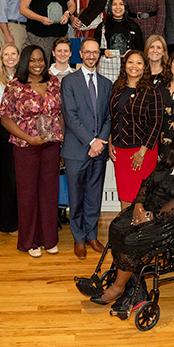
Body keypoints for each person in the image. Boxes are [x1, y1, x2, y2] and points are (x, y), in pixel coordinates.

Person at [85, 125, 174, 313]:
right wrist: (138, 205)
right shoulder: (171, 161)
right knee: (117, 226)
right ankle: (132, 282)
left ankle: (118, 288)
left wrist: (150, 216)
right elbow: (147, 183)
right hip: (150, 208)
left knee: (132, 238)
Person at [0, 45, 64, 257]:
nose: (37, 64)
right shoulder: (15, 86)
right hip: (25, 146)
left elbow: (60, 114)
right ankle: (30, 242)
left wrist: (61, 142)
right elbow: (5, 118)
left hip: (51, 145)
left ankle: (49, 239)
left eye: (40, 59)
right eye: (32, 60)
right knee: (27, 195)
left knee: (49, 193)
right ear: (25, 62)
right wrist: (29, 138)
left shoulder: (54, 82)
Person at [60, 38, 113, 260]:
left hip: (99, 151)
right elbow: (70, 116)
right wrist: (91, 141)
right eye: (87, 52)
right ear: (80, 54)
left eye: (95, 52)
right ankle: (79, 238)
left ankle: (92, 235)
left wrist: (100, 141)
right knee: (76, 197)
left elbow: (109, 116)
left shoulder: (107, 83)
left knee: (94, 195)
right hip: (76, 149)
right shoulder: (69, 82)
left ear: (99, 55)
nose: (91, 56)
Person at [109, 50, 163, 209]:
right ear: (124, 65)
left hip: (142, 151)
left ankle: (142, 226)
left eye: (139, 63)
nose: (134, 66)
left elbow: (156, 123)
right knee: (125, 195)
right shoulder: (117, 87)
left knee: (142, 197)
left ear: (145, 67)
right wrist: (111, 140)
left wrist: (142, 152)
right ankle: (126, 225)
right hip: (120, 150)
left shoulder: (152, 90)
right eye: (130, 62)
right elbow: (113, 116)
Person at [0, 44, 21, 234]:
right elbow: (5, 109)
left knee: (22, 178)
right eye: (6, 54)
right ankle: (8, 224)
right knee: (10, 178)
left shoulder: (25, 76)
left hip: (25, 131)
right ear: (1, 58)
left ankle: (23, 221)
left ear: (18, 56)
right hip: (7, 130)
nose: (10, 57)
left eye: (13, 53)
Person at [94, 0, 143, 80]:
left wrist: (132, 52)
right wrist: (104, 51)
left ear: (125, 7)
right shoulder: (102, 27)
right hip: (107, 69)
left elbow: (141, 49)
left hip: (128, 69)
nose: (118, 7)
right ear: (110, 7)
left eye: (121, 4)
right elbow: (94, 49)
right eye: (114, 4)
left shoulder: (133, 26)